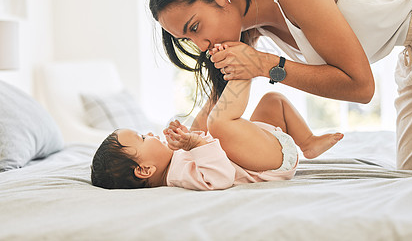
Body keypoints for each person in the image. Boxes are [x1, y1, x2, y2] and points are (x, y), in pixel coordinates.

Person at [148, 0, 412, 176]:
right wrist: (182, 145)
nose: (200, 46)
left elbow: (362, 87)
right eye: (187, 39)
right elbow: (220, 99)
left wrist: (266, 65)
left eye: (196, 27)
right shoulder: (248, 24)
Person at [90, 45, 343, 190]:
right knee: (219, 124)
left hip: (267, 145)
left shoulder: (173, 160)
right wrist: (195, 143)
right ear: (145, 170)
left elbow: (202, 132)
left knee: (272, 101)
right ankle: (244, 68)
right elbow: (220, 177)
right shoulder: (178, 176)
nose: (151, 134)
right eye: (143, 138)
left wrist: (189, 136)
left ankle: (307, 142)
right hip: (267, 164)